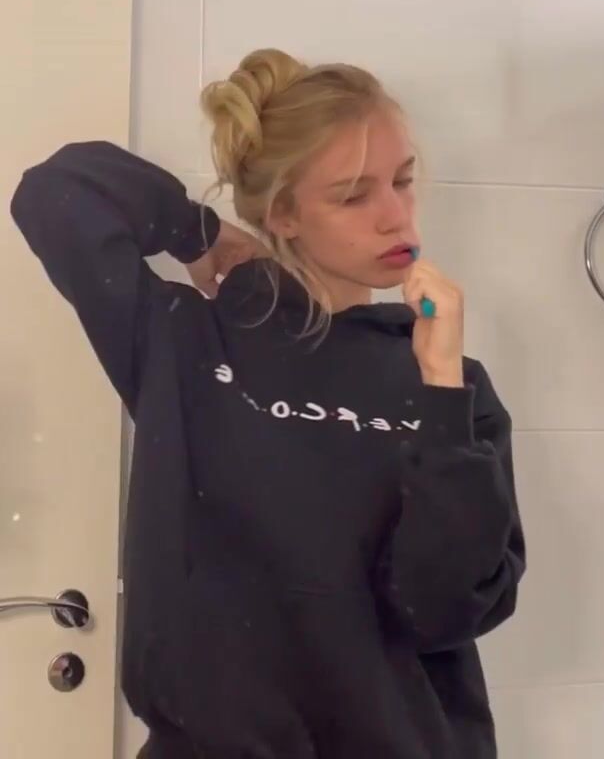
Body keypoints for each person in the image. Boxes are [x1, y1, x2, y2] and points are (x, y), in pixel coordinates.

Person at [10, 48, 524, 759]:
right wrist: (198, 232)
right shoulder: (187, 343)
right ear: (283, 213)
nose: (395, 216)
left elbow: (445, 611)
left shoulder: (452, 385)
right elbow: (56, 193)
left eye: (403, 181)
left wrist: (441, 389)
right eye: (353, 195)